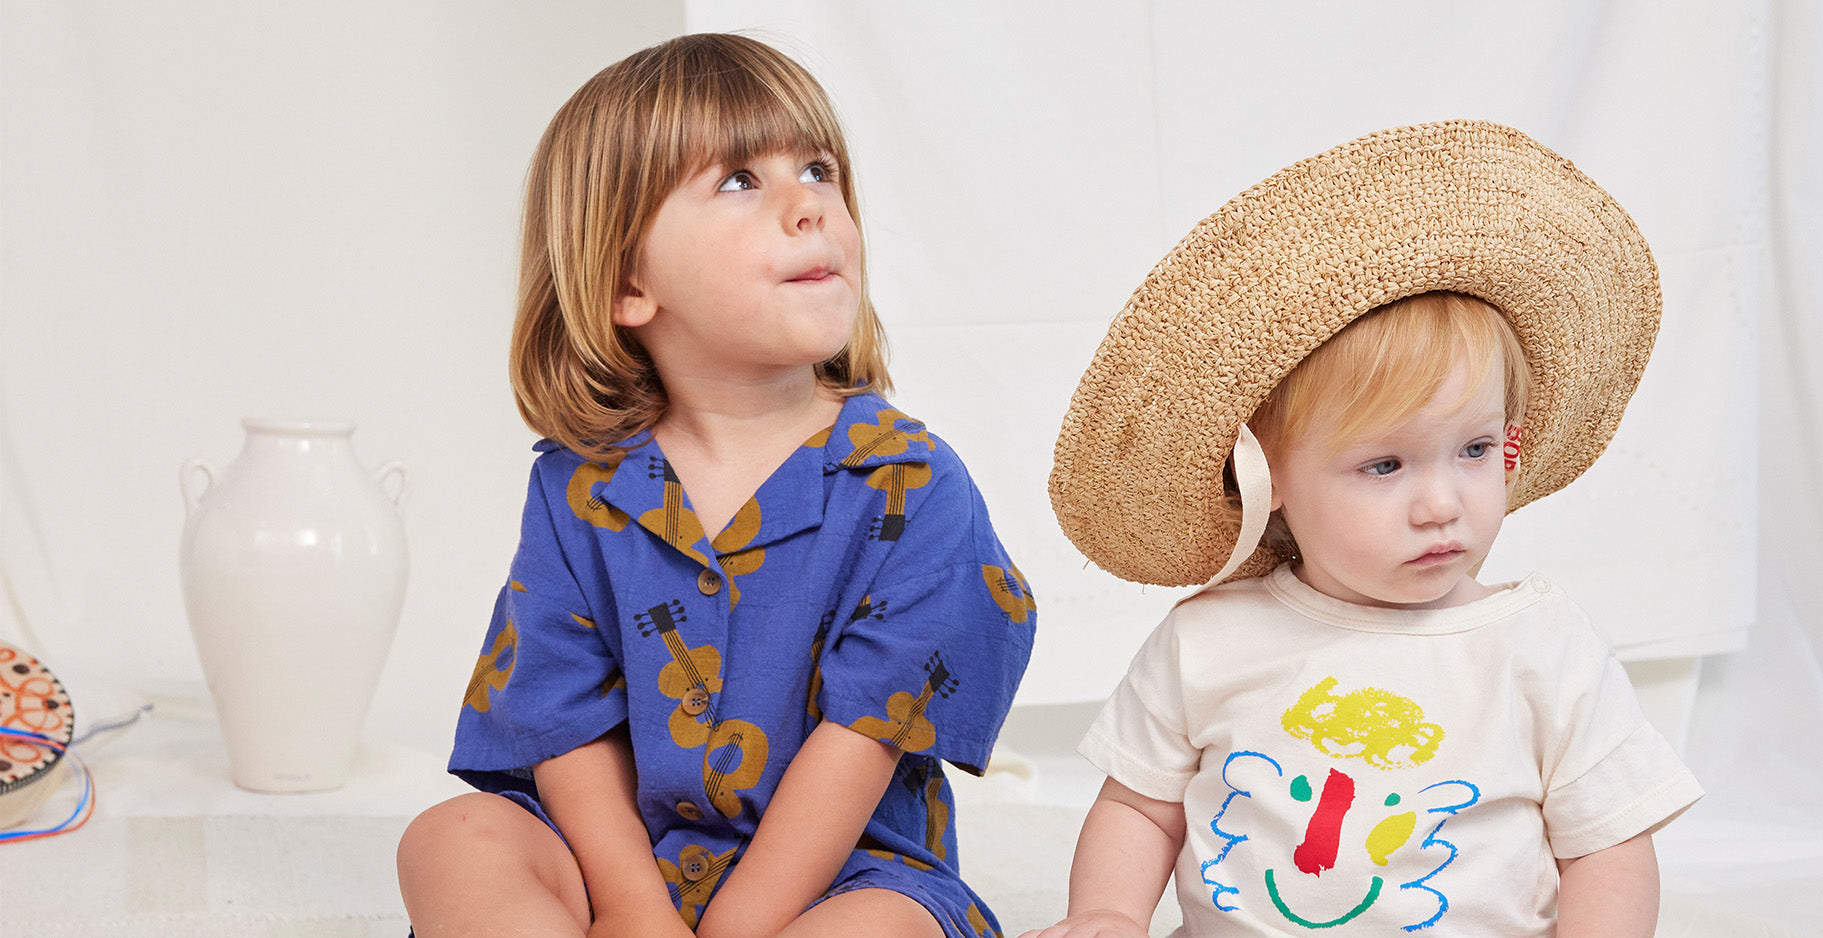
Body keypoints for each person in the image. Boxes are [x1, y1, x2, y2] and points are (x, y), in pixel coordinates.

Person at [396, 33, 1035, 938]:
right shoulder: (583, 486)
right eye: (741, 180)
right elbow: (559, 720)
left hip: (842, 871)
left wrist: (734, 929)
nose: (808, 206)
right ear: (627, 282)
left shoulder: (910, 484)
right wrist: (632, 910)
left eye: (819, 170)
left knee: (883, 928)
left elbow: (863, 737)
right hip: (622, 862)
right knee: (450, 838)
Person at [1032, 120, 1702, 937]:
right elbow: (1141, 807)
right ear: (1269, 482)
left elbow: (1606, 845)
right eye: (1384, 467)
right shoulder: (1208, 640)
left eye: (1474, 450)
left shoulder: (1542, 647)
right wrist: (1105, 913)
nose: (1440, 504)